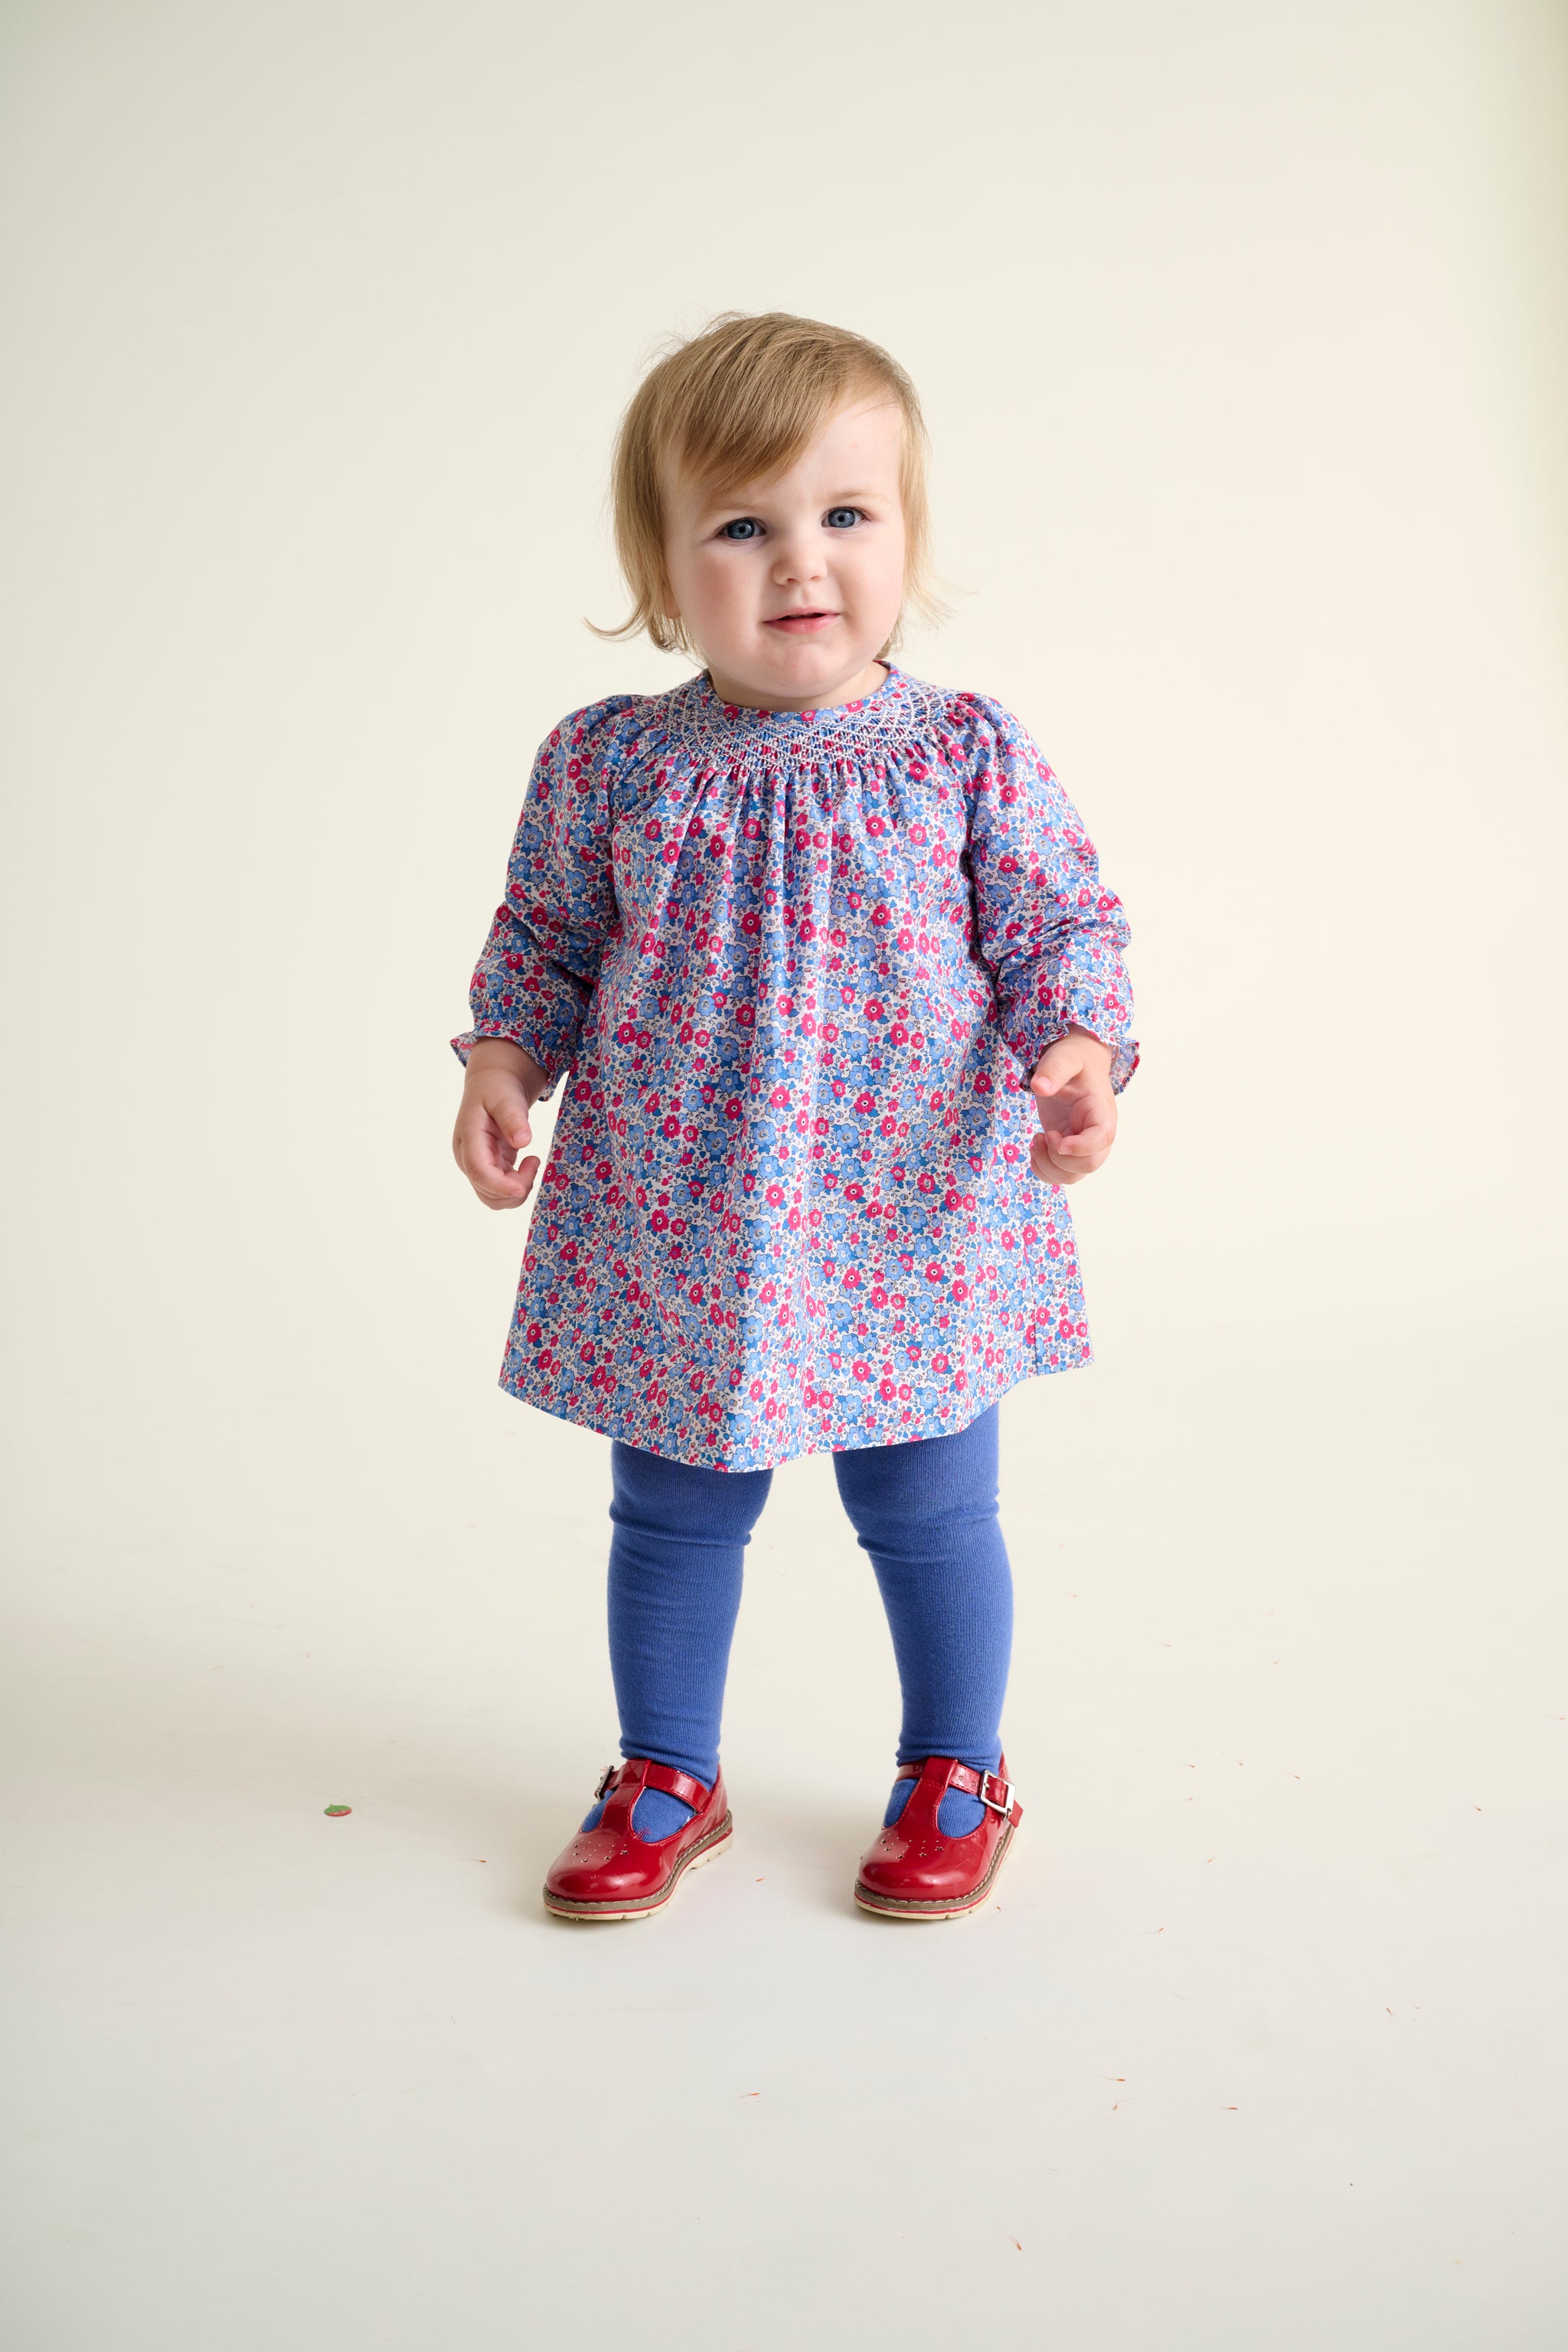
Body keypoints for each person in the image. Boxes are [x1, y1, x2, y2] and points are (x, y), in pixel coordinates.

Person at [450, 312, 1137, 1922]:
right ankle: (667, 1768)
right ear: (662, 561)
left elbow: (1059, 927)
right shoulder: (610, 763)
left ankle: (957, 1764)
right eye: (742, 527)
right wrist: (500, 1063)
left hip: (909, 1209)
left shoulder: (961, 754)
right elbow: (544, 939)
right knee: (673, 1505)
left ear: (908, 535)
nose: (799, 562)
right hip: (681, 1210)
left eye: (845, 516)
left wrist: (1080, 1050)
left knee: (927, 1501)